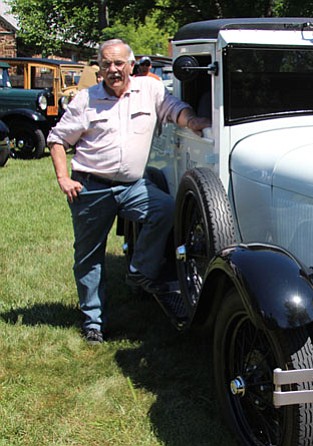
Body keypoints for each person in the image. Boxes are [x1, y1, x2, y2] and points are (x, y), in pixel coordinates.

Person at [47, 39, 211, 345]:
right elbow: (57, 140)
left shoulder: (149, 91)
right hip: (91, 186)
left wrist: (195, 122)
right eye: (106, 64)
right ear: (100, 67)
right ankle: (93, 321)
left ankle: (140, 271)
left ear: (131, 65)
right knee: (89, 256)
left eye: (119, 63)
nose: (113, 70)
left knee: (165, 210)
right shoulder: (86, 100)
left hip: (133, 185)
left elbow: (174, 109)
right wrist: (62, 177)